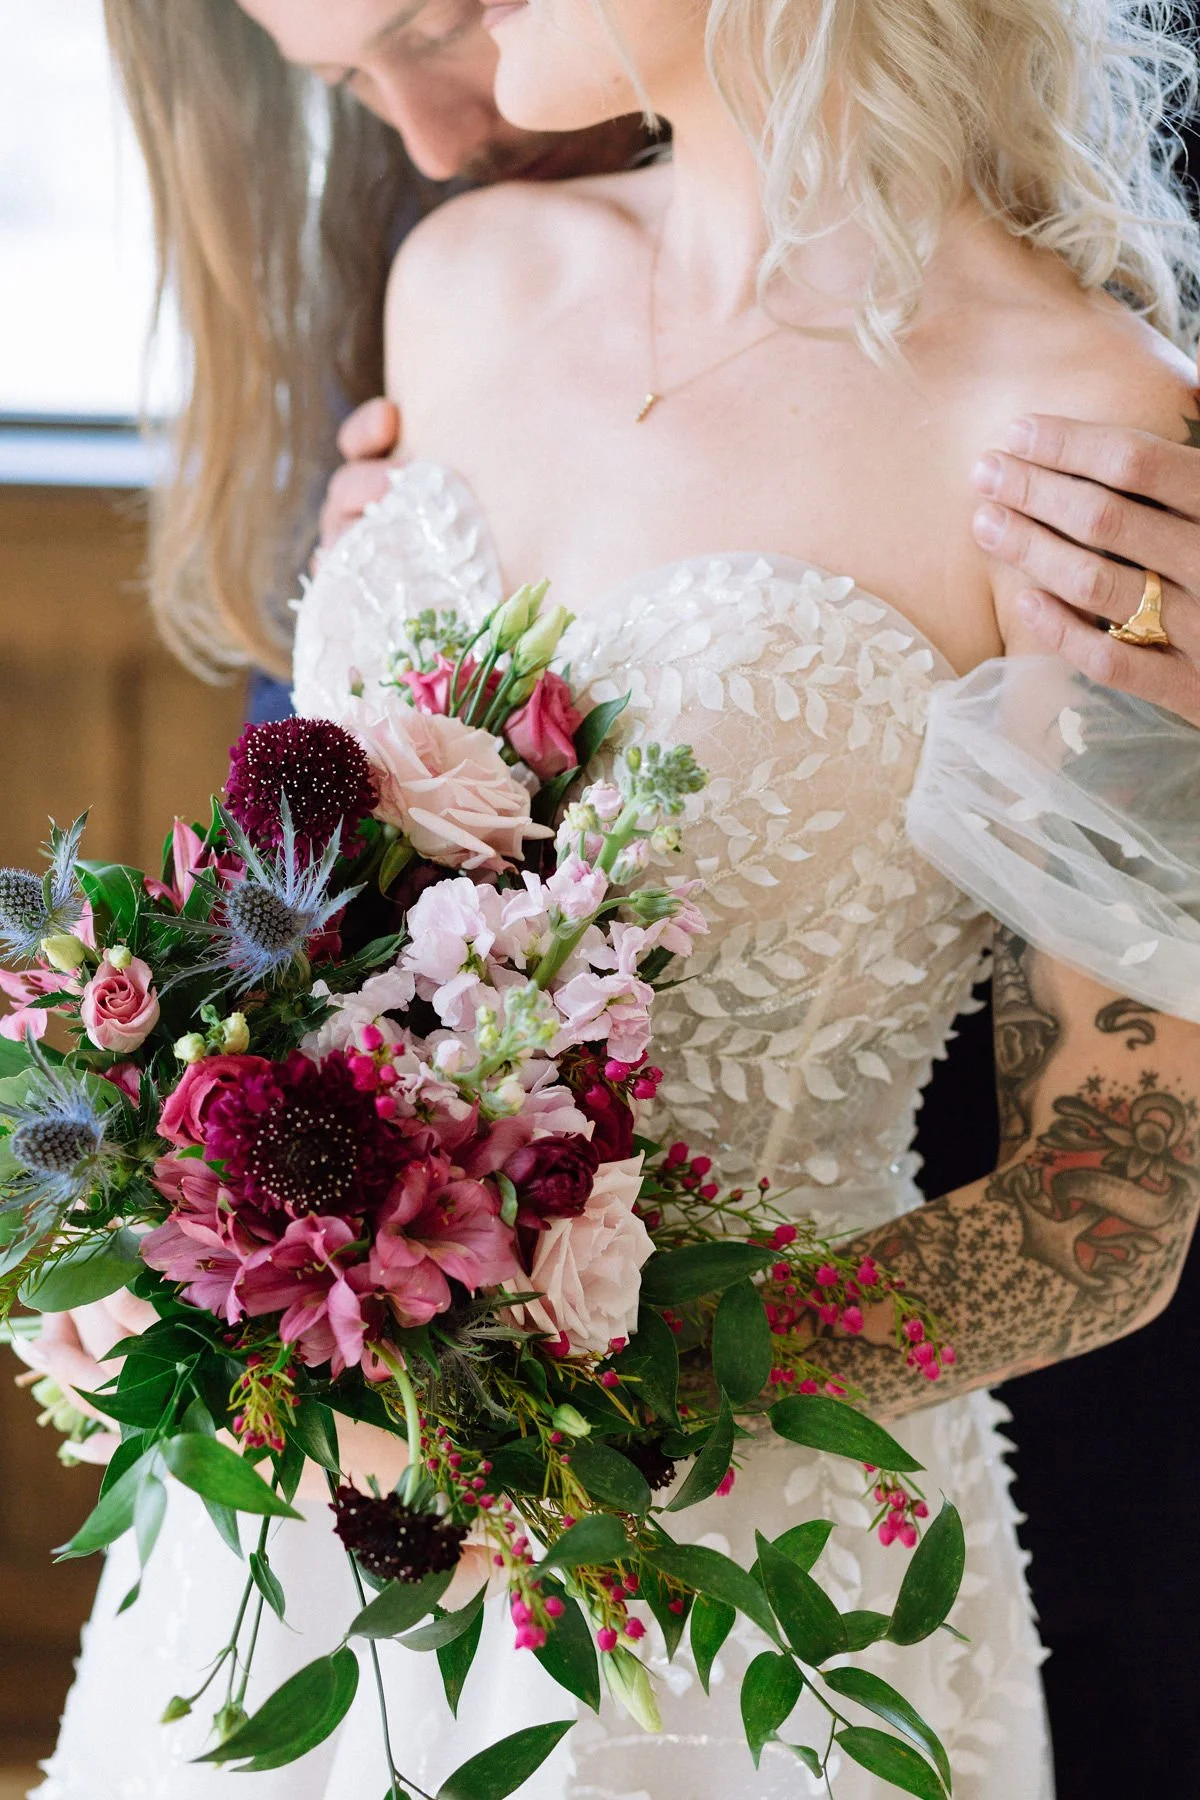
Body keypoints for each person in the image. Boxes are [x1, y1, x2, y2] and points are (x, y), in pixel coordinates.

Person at [24, 4, 1200, 1799]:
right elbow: (321, 920)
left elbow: (1106, 1206)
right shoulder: (459, 278)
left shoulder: (1095, 445)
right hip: (279, 1521)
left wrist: (564, 1401)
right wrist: (154, 1199)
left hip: (737, 1602)